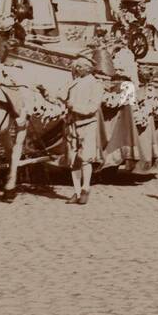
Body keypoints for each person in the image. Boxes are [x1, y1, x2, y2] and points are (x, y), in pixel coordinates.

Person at [63, 53, 104, 204]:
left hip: (87, 124)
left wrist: (74, 106)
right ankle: (76, 191)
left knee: (86, 158)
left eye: (80, 66)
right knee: (73, 160)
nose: (77, 68)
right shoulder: (74, 83)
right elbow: (64, 97)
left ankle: (86, 188)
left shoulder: (95, 84)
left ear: (88, 68)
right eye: (76, 65)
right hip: (72, 124)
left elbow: (93, 107)